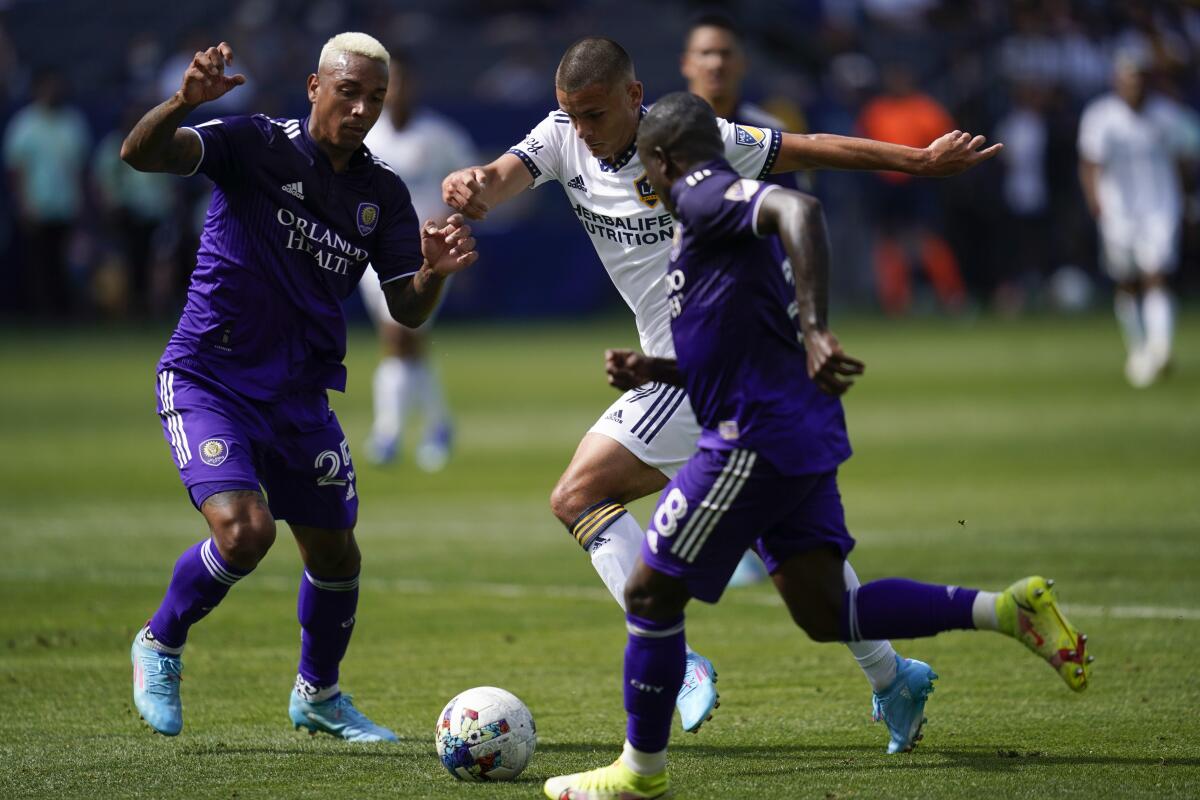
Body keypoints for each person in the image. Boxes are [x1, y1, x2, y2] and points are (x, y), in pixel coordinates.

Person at [443, 36, 1000, 749]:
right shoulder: (560, 139)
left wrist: (917, 162)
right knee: (786, 548)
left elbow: (815, 148)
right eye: (571, 114)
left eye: (594, 112)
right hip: (696, 370)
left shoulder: (685, 141)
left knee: (578, 496)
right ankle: (894, 677)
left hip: (712, 363)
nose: (583, 127)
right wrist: (469, 185)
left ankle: (671, 661)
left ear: (634, 97)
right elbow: (497, 177)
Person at [543, 92, 1092, 800]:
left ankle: (639, 772)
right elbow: (733, 345)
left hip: (752, 438)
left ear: (666, 160)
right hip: (794, 429)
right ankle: (1008, 608)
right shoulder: (703, 237)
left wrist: (817, 326)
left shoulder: (706, 195)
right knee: (827, 611)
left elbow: (799, 209)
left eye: (649, 168)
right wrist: (653, 371)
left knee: (650, 592)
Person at [121, 34, 478, 740]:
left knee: (337, 553)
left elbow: (406, 309)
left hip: (299, 396)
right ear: (315, 86)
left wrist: (433, 273)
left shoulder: (379, 195)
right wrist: (180, 104)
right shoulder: (255, 143)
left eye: (374, 98)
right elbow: (143, 155)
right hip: (209, 377)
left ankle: (318, 694)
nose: (362, 109)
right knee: (246, 533)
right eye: (348, 92)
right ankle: (159, 643)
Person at [680, 12, 794, 587]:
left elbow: (793, 217)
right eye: (706, 53)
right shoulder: (667, 135)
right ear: (686, 65)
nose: (717, 63)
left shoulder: (766, 134)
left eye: (726, 53)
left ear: (742, 64)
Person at [358, 50, 476, 470]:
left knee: (400, 338)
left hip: (429, 260)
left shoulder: (441, 137)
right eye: (392, 83)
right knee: (406, 343)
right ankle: (438, 424)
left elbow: (471, 192)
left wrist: (452, 227)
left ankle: (387, 434)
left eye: (406, 81)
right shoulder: (367, 139)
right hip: (375, 257)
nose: (399, 90)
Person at [1078, 49, 1197, 388]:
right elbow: (1090, 164)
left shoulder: (1168, 117)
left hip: (1160, 207)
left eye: (1139, 79)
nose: (1134, 86)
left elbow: (1185, 159)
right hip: (1118, 211)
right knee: (1127, 280)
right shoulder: (1101, 117)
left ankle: (1161, 348)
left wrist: (1187, 199)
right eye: (1128, 79)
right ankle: (1139, 348)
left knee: (1156, 273)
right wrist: (1095, 201)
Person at [3, 69, 91, 316]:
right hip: (37, 206)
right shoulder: (24, 124)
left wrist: (81, 204)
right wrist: (22, 204)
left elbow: (80, 169)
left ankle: (64, 314)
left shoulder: (73, 122)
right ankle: (41, 315)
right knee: (38, 265)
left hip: (66, 206)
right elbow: (16, 170)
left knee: (65, 265)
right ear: (37, 89)